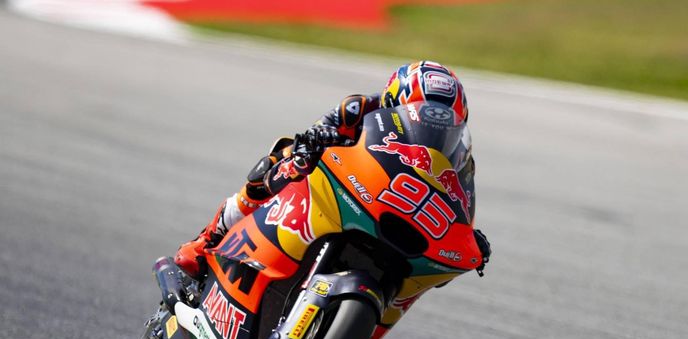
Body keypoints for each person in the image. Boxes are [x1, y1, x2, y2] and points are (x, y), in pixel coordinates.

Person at [175, 59, 491, 288]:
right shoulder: (358, 109)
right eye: (421, 115)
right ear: (392, 102)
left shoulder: (459, 158)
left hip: (390, 208)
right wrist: (312, 144)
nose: (434, 132)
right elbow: (314, 133)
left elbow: (459, 198)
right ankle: (207, 239)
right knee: (285, 158)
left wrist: (468, 235)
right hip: (340, 186)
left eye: (446, 125)